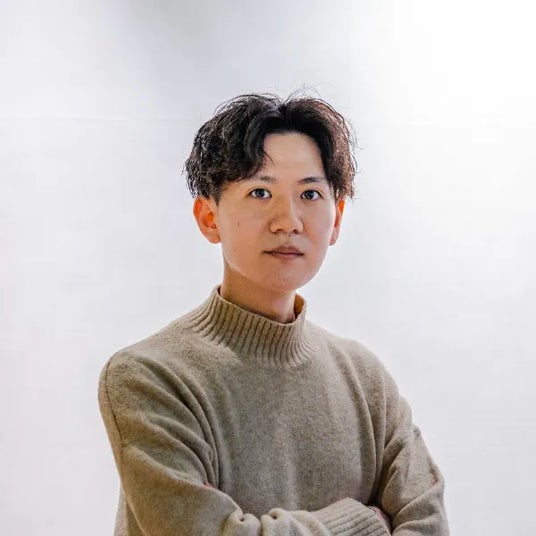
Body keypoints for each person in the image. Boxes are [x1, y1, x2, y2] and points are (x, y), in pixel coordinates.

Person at [98, 93, 449, 535]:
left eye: (309, 194)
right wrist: (362, 523)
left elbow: (427, 521)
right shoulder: (149, 377)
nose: (288, 220)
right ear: (208, 217)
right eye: (260, 192)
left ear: (337, 218)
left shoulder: (365, 379)